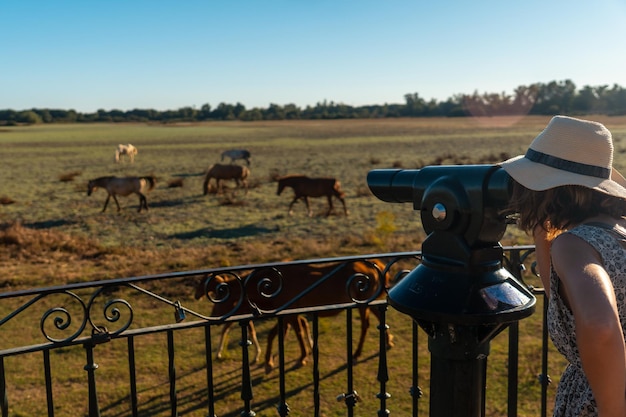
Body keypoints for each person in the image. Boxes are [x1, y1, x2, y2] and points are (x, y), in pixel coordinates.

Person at [499, 115, 626, 417]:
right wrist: (544, 227)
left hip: (601, 402)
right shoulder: (613, 232)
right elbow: (562, 295)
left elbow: (599, 323)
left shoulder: (577, 244)